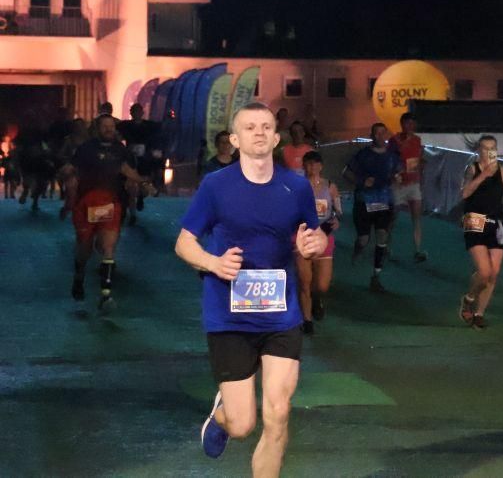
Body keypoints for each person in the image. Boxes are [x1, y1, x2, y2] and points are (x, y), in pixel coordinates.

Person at [174, 101, 327, 475]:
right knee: (243, 425)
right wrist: (214, 263)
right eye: (249, 127)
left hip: (281, 314)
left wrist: (313, 244)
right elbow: (184, 243)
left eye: (265, 127)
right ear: (234, 140)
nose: (259, 132)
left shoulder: (296, 187)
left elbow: (316, 235)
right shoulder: (215, 186)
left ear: (276, 139)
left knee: (278, 412)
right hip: (229, 317)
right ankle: (223, 414)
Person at [69, 114, 154, 310]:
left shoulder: (121, 150)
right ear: (97, 129)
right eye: (105, 126)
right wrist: (68, 187)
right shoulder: (86, 149)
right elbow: (72, 170)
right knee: (85, 249)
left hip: (111, 203)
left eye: (111, 126)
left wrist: (143, 183)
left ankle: (105, 294)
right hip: (87, 203)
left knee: (108, 247)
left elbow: (128, 171)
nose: (109, 129)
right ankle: (79, 275)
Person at [459, 135, 503, 329]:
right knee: (484, 271)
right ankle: (469, 298)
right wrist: (484, 175)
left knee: (494, 273)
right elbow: (465, 193)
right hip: (475, 220)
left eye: (493, 148)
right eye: (486, 148)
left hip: (496, 222)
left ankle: (479, 313)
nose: (490, 152)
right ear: (479, 150)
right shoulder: (472, 169)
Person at [344, 123, 402, 292]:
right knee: (363, 239)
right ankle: (358, 250)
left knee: (382, 236)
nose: (380, 136)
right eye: (377, 133)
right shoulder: (363, 154)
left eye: (383, 133)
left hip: (384, 201)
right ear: (371, 136)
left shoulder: (392, 156)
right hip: (364, 201)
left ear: (386, 135)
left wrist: (397, 179)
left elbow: (397, 174)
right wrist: (362, 181)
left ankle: (376, 276)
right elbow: (345, 172)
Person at [296, 150, 341, 334]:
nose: (312, 167)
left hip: (324, 236)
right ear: (303, 166)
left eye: (315, 163)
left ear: (321, 166)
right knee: (304, 282)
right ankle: (307, 320)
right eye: (308, 164)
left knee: (322, 285)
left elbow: (338, 211)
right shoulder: (297, 186)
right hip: (302, 237)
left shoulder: (329, 186)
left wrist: (336, 220)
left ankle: (317, 298)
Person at [388, 113, 427, 262]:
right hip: (398, 184)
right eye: (407, 123)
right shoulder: (394, 141)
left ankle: (417, 250)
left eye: (412, 124)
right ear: (402, 124)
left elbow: (419, 159)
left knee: (416, 218)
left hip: (413, 184)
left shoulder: (417, 140)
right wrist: (394, 174)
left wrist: (422, 165)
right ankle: (386, 246)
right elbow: (389, 160)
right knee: (393, 217)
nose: (410, 126)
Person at [118, 103, 159, 225]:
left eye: (138, 111)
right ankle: (131, 213)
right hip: (130, 158)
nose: (137, 114)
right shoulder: (125, 125)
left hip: (143, 159)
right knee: (128, 185)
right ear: (131, 113)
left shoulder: (149, 125)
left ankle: (140, 197)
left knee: (143, 182)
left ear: (142, 113)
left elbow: (161, 128)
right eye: (134, 111)